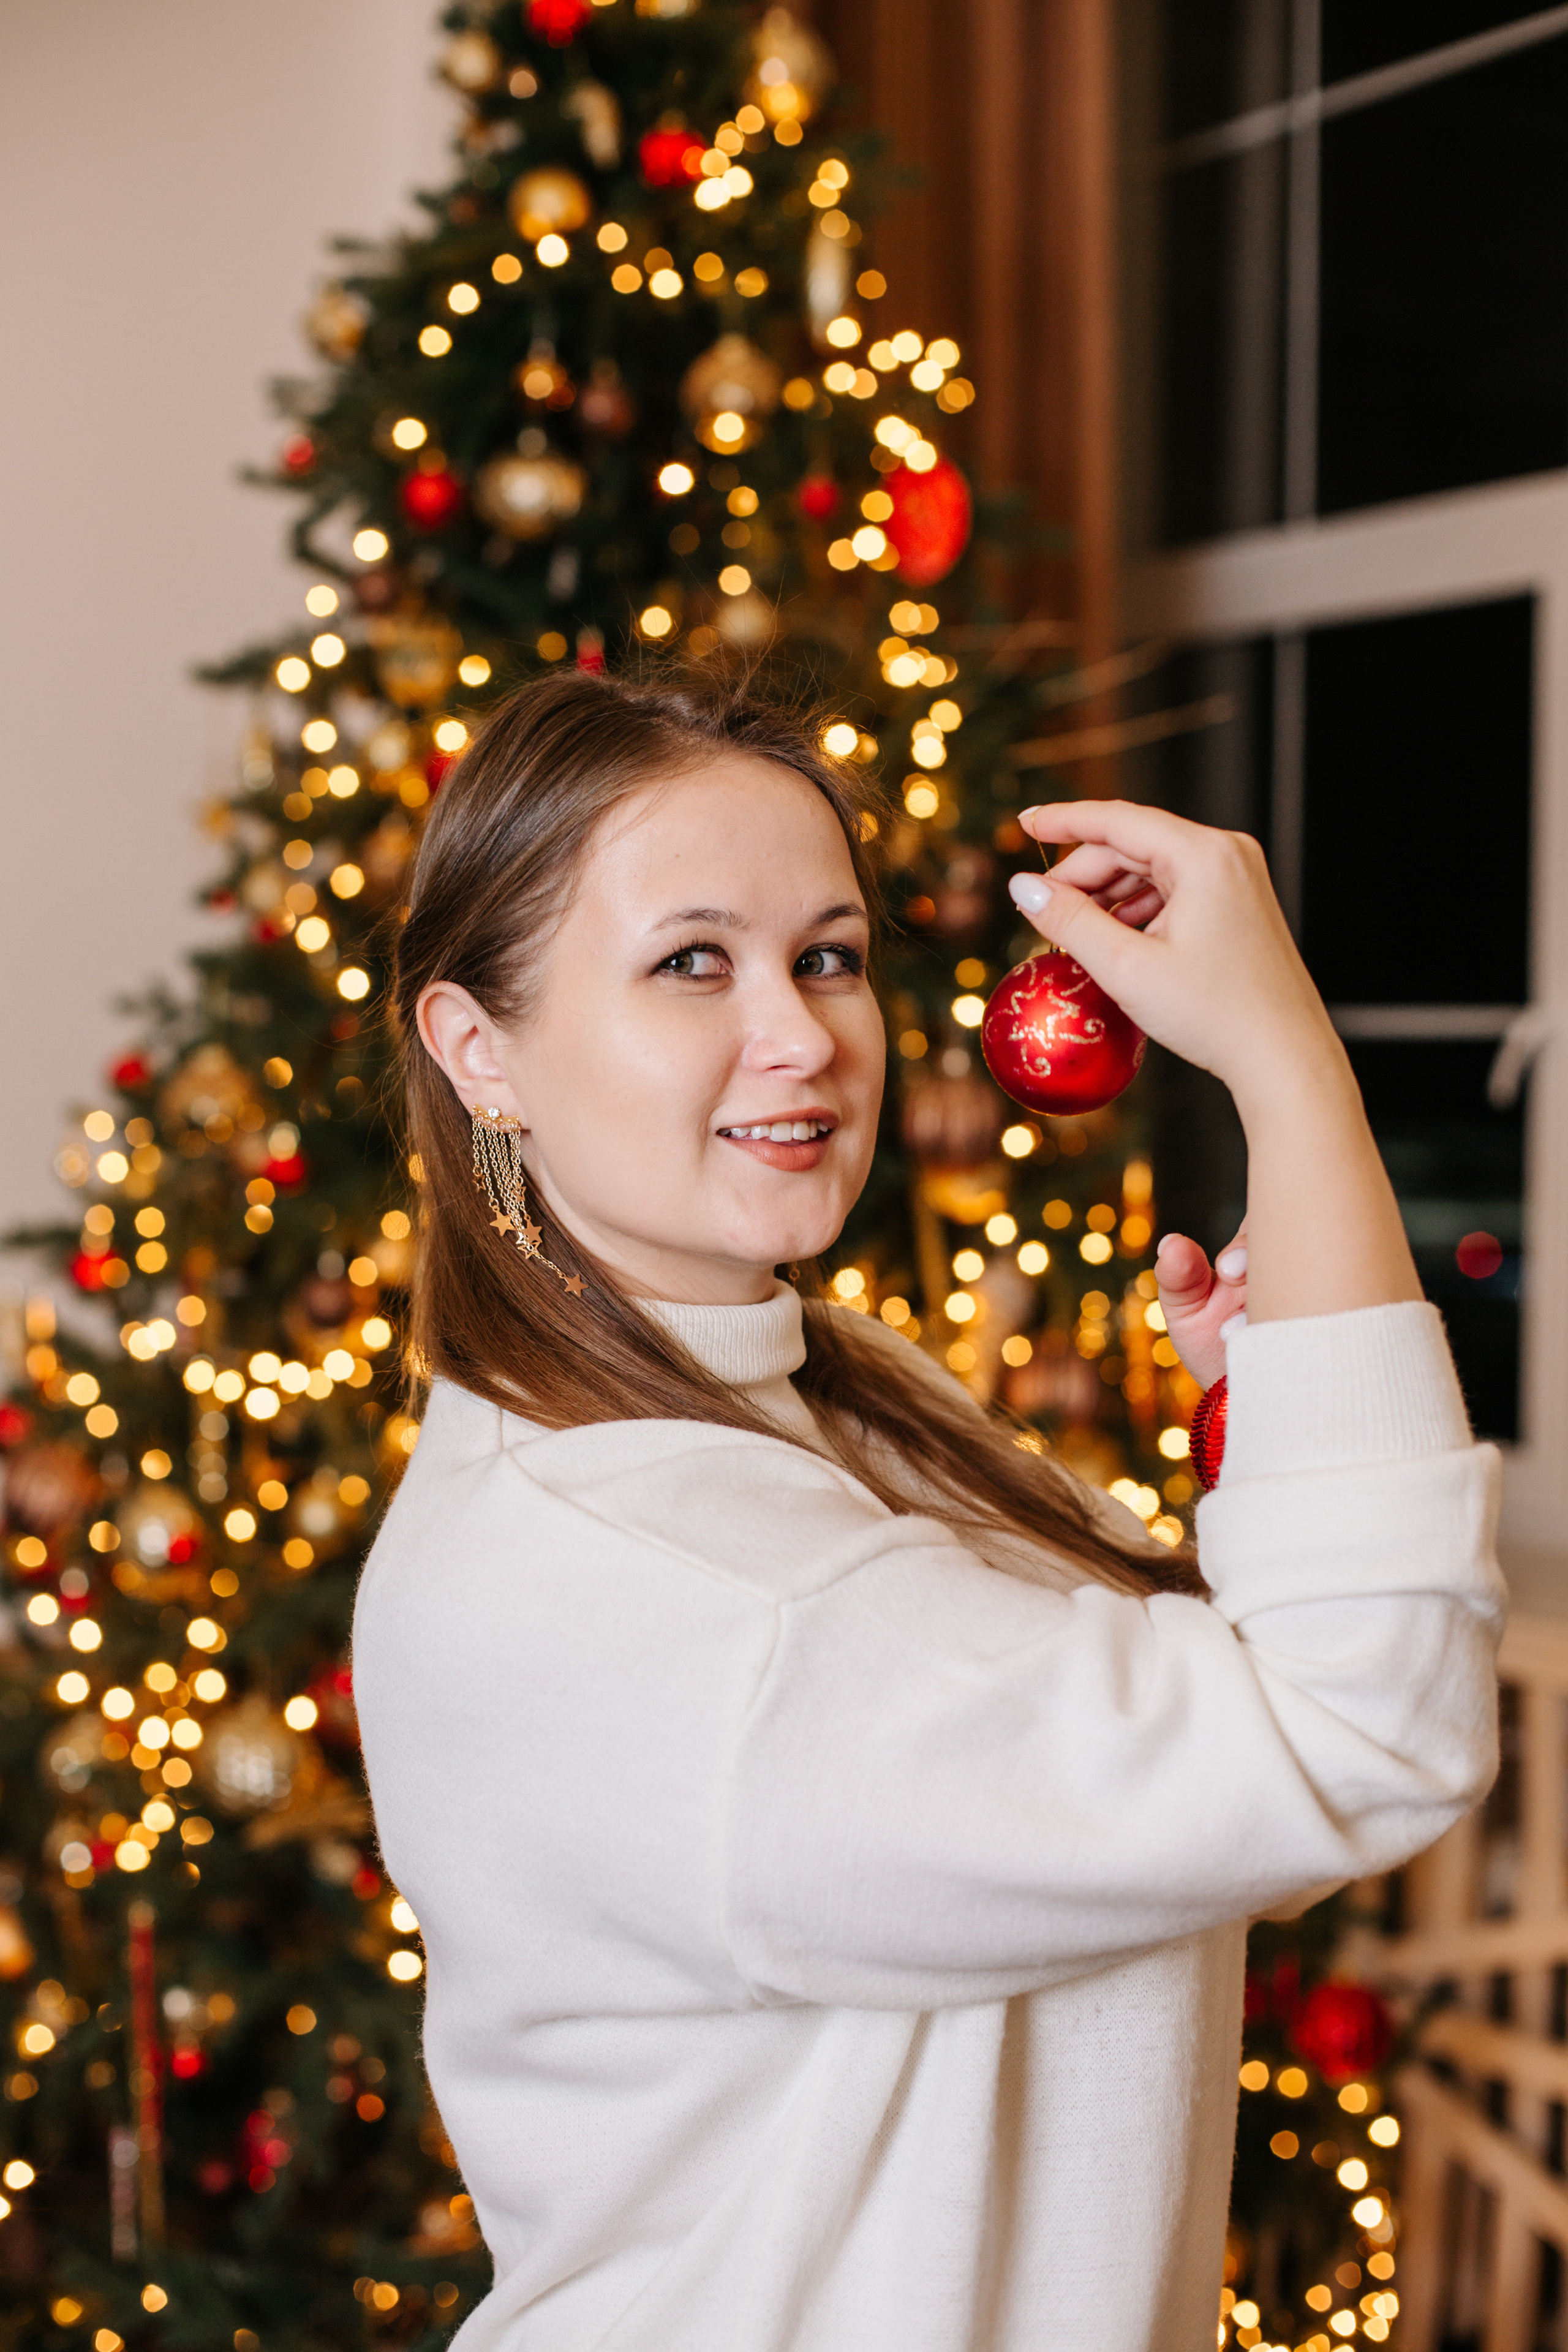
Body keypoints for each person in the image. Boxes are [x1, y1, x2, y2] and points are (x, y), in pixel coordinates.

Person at [352, 669, 1502, 2352]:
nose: (805, 1033)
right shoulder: (669, 1591)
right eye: (693, 961)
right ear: (479, 1050)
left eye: (827, 955)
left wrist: (1275, 1413)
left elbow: (1213, 1825)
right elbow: (1362, 1734)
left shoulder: (835, 1390)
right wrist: (1283, 1056)